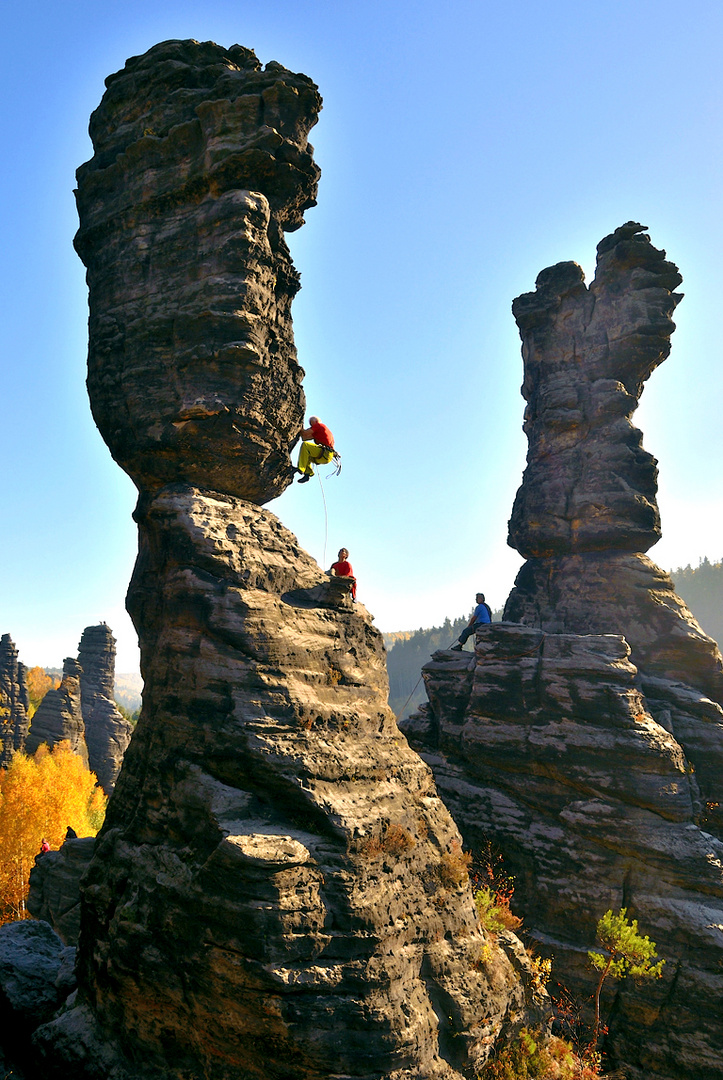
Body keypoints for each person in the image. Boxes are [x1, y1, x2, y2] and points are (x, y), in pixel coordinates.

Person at [297, 416, 335, 483]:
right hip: (327, 456)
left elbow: (304, 434)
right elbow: (304, 438)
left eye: (311, 423)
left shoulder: (319, 426)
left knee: (305, 445)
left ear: (316, 422)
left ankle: (301, 468)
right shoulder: (320, 431)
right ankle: (307, 474)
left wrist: (300, 426)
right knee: (306, 454)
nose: (311, 426)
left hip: (325, 452)